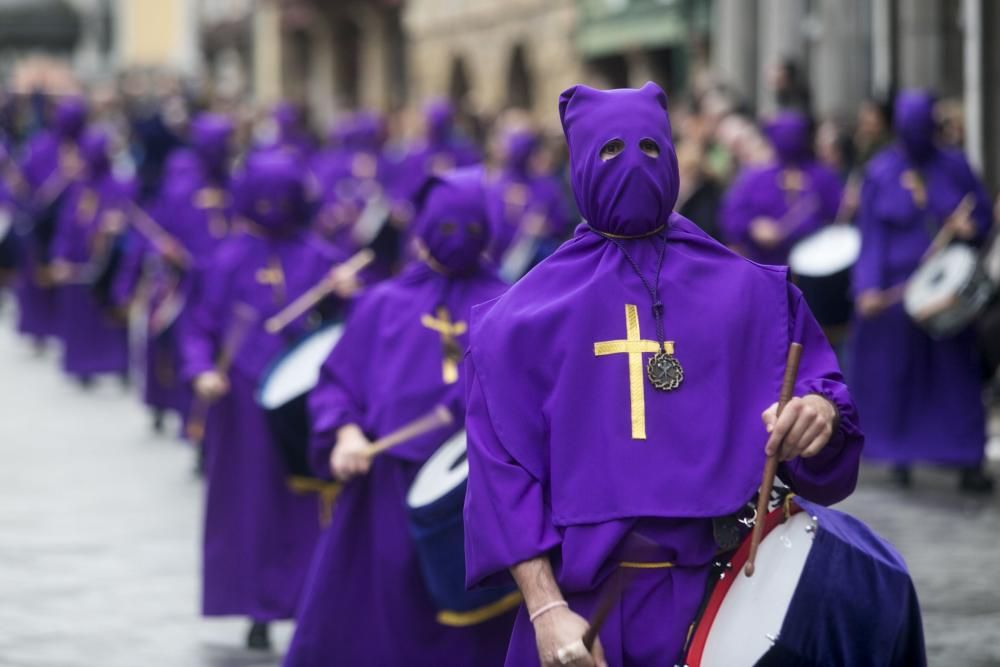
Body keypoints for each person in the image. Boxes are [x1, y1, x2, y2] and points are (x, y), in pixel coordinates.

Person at [462, 83, 863, 667]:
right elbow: (502, 483)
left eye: (652, 148)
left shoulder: (753, 293)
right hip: (581, 612)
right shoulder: (517, 323)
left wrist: (818, 414)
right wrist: (546, 610)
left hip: (726, 597)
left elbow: (818, 396)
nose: (633, 166)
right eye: (609, 152)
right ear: (578, 163)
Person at [286, 168, 513, 667]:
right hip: (383, 493)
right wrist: (344, 434)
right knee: (381, 627)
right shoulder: (382, 304)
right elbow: (338, 383)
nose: (458, 240)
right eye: (446, 228)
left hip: (478, 499)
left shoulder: (512, 304)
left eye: (469, 228)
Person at [178, 151, 349, 649]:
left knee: (307, 506)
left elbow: (353, 321)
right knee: (251, 506)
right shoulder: (224, 259)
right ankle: (255, 605)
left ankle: (309, 602)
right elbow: (197, 326)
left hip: (305, 401)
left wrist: (345, 292)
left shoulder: (320, 256)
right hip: (242, 406)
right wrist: (202, 371)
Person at [848, 90, 993, 493]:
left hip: (943, 287)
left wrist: (970, 227)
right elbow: (872, 236)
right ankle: (898, 451)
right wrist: (868, 287)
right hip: (896, 291)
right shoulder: (880, 171)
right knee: (897, 373)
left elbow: (978, 214)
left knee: (955, 374)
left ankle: (965, 454)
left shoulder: (955, 166)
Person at [48, 128, 132, 384]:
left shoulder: (121, 186)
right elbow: (66, 224)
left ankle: (118, 364)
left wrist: (118, 226)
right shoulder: (78, 188)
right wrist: (60, 256)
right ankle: (84, 365)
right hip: (79, 264)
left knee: (110, 315)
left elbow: (133, 219)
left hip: (109, 264)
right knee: (81, 316)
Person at [719, 111, 843, 265]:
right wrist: (753, 226)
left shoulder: (823, 177)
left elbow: (838, 218)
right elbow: (732, 214)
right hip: (766, 265)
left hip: (817, 266)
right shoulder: (756, 178)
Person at [15, 96, 87, 345]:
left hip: (77, 222)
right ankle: (41, 326)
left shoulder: (86, 145)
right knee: (41, 272)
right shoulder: (41, 145)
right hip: (45, 218)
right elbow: (28, 186)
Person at [487, 126, 573, 281]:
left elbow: (562, 223)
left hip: (535, 265)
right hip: (505, 267)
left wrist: (545, 228)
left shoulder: (547, 187)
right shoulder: (496, 186)